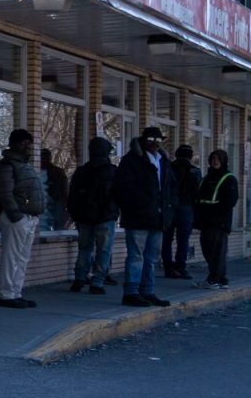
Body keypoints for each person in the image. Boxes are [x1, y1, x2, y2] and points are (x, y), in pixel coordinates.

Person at [112, 126, 175, 307]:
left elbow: (170, 187)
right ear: (142, 140)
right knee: (136, 255)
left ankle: (148, 291)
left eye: (158, 140)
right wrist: (143, 204)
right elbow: (123, 188)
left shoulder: (163, 161)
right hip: (138, 216)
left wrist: (169, 207)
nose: (154, 143)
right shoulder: (131, 160)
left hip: (158, 217)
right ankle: (131, 292)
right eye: (150, 139)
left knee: (152, 257)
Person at [0, 129, 46, 308]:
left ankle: (15, 291)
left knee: (22, 258)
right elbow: (5, 193)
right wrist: (16, 216)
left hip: (29, 218)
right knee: (11, 257)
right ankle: (5, 294)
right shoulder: (7, 165)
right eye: (23, 143)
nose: (28, 146)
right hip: (16, 218)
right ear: (13, 144)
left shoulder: (24, 165)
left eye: (29, 142)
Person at [66, 137, 119, 295]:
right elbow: (118, 194)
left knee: (85, 249)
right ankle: (97, 281)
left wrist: (75, 214)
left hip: (84, 217)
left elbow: (73, 197)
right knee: (104, 250)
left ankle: (80, 278)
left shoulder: (81, 171)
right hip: (105, 217)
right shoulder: (111, 171)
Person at [195, 149, 239, 289]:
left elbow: (230, 201)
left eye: (218, 159)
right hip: (205, 222)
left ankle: (214, 279)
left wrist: (217, 216)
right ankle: (220, 279)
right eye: (213, 158)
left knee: (216, 252)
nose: (215, 161)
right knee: (209, 250)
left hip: (218, 222)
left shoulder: (228, 178)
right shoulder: (207, 178)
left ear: (224, 161)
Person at [166, 144, 202, 280]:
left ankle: (168, 268)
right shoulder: (195, 171)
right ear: (191, 157)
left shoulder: (168, 168)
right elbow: (198, 192)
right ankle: (181, 267)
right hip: (186, 208)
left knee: (167, 239)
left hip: (169, 207)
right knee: (183, 240)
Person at [40, 148, 70, 231]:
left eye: (46, 157)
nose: (44, 160)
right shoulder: (33, 172)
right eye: (42, 157)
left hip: (56, 202)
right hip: (44, 205)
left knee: (58, 227)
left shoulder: (57, 172)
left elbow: (63, 191)